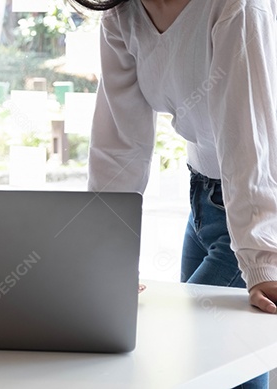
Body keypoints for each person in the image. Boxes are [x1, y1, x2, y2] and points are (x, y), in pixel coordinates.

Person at [77, 0, 277, 387]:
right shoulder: (123, 16)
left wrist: (263, 260)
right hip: (204, 195)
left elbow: (248, 144)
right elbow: (119, 148)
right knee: (207, 369)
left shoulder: (237, 7)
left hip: (258, 204)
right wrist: (106, 258)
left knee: (207, 363)